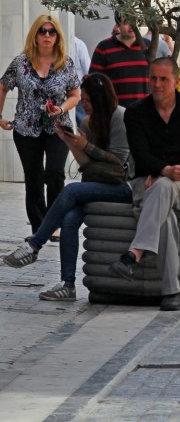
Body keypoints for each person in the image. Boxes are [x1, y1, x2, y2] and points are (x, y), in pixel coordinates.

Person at [2, 73, 132, 301]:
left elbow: (119, 163)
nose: (84, 104)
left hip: (123, 187)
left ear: (100, 99)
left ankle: (34, 245)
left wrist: (87, 146)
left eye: (88, 100)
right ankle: (68, 285)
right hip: (96, 184)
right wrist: (70, 142)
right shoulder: (87, 122)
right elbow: (86, 165)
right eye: (83, 99)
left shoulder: (120, 117)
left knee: (70, 190)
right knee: (70, 220)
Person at [109, 58, 180, 312]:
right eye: (153, 78)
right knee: (165, 214)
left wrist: (169, 171)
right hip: (150, 184)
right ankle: (171, 293)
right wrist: (162, 170)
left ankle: (134, 254)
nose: (157, 84)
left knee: (164, 186)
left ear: (176, 81)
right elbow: (140, 156)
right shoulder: (135, 113)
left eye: (163, 79)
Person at [0, 15, 81, 234]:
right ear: (35, 35)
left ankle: (54, 222)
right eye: (42, 31)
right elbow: (2, 86)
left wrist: (61, 108)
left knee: (55, 173)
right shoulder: (21, 62)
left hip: (58, 127)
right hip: (26, 128)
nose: (47, 35)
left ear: (57, 36)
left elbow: (75, 94)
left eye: (51, 31)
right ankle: (40, 226)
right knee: (33, 177)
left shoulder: (66, 62)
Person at [90, 13, 149, 107]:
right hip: (115, 111)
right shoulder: (104, 47)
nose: (132, 26)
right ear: (117, 25)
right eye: (127, 22)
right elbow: (93, 81)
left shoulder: (148, 47)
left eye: (136, 21)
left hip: (145, 110)